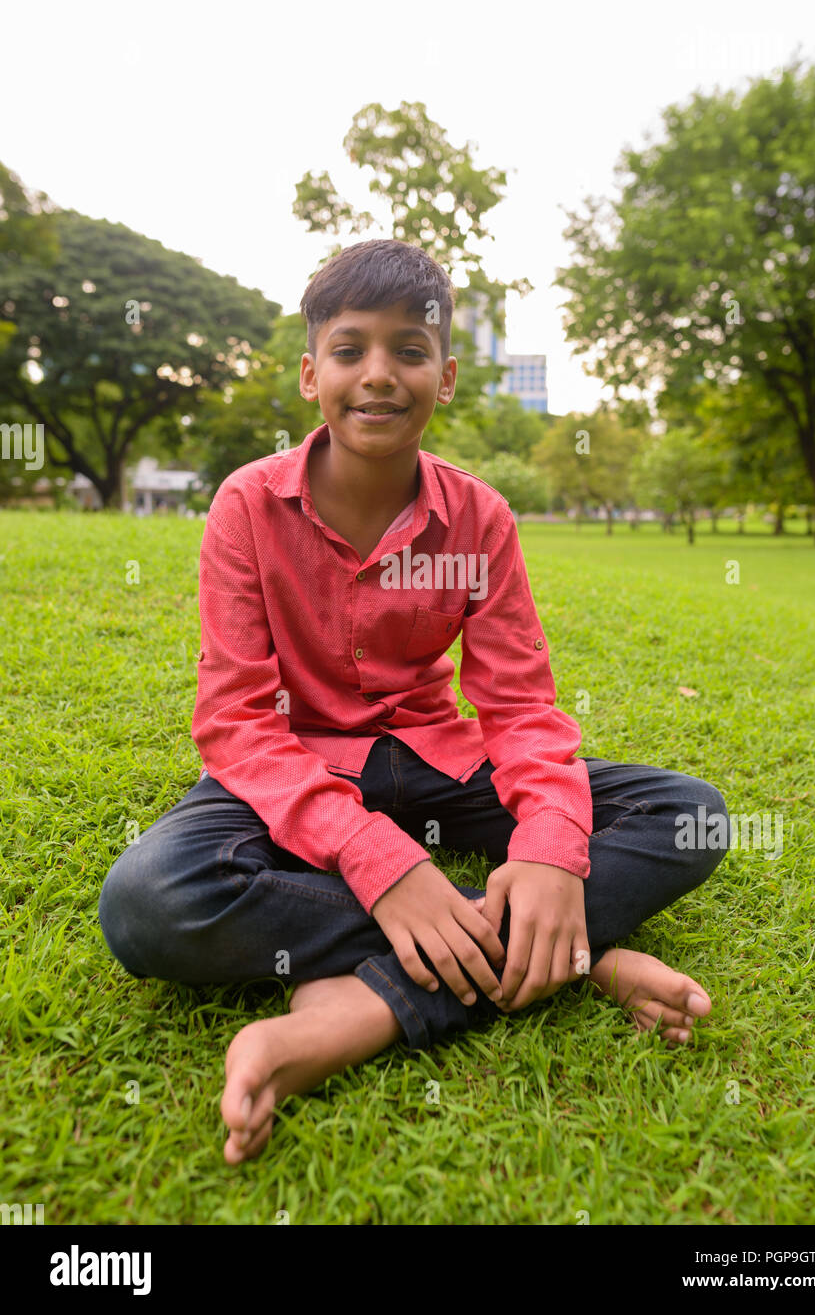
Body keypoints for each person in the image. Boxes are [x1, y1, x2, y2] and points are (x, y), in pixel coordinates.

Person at [98, 239, 729, 1166]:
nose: (378, 375)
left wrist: (552, 849)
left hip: (437, 756)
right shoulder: (246, 505)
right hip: (300, 768)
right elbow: (234, 721)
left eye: (409, 349)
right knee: (147, 902)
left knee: (692, 816)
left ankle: (370, 1003)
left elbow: (518, 705)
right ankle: (573, 955)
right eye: (350, 350)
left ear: (448, 373)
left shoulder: (479, 517)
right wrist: (381, 863)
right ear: (311, 373)